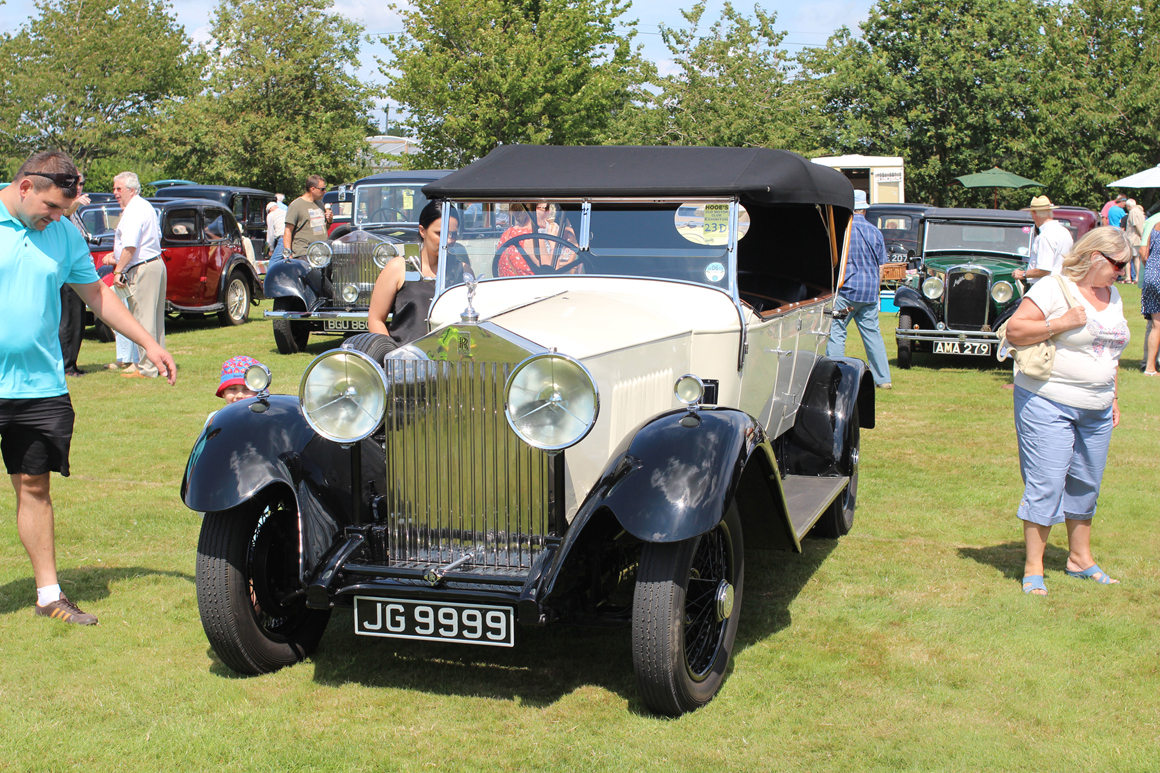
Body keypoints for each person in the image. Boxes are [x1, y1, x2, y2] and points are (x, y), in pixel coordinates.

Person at [0, 150, 176, 625]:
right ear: (25, 187)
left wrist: (148, 343)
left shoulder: (62, 233)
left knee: (35, 485)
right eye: (51, 208)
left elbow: (98, 295)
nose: (57, 218)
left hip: (38, 385)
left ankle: (48, 595)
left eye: (64, 210)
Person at [1004, 227, 1130, 595]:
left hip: (1097, 408)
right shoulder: (1053, 287)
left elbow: (1110, 353)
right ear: (1095, 257)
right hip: (1047, 401)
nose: (1123, 272)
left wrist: (1113, 397)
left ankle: (1079, 559)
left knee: (1086, 484)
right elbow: (1015, 331)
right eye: (1118, 264)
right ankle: (1033, 568)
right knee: (1046, 483)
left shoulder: (1114, 294)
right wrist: (1062, 322)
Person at [367, 201, 459, 345]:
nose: (448, 240)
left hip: (449, 355)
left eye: (453, 234)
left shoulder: (462, 271)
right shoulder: (398, 268)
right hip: (406, 355)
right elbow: (375, 319)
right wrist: (392, 353)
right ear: (422, 231)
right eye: (440, 233)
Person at [827, 190, 892, 389]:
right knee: (873, 336)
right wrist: (875, 290)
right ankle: (883, 379)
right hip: (869, 293)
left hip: (846, 292)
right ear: (864, 209)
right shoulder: (875, 232)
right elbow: (881, 267)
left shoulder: (843, 230)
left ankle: (836, 375)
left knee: (836, 331)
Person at [111, 171, 167, 379]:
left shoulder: (134, 210)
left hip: (143, 267)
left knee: (143, 320)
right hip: (154, 264)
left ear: (132, 190)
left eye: (119, 188)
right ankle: (158, 364)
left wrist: (119, 270)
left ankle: (147, 368)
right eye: (114, 189)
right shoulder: (146, 206)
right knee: (154, 320)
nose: (115, 193)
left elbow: (130, 246)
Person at [59, 176, 91, 377]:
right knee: (68, 319)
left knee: (78, 319)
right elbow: (65, 212)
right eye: (75, 183)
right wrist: (76, 202)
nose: (79, 188)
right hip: (68, 272)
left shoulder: (75, 209)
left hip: (78, 271)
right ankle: (65, 365)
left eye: (81, 184)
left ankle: (72, 363)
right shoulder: (65, 205)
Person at [497, 203, 580, 276]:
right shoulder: (533, 239)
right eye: (545, 208)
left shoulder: (507, 234)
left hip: (507, 287)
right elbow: (553, 274)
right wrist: (553, 243)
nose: (549, 212)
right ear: (531, 211)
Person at [1013, 196, 1073, 285]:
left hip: (1046, 287)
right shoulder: (1065, 231)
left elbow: (1044, 270)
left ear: (1034, 214)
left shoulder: (1046, 235)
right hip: (1062, 284)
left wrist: (1023, 274)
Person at [284, 175, 331, 259]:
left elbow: (323, 229)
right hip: (304, 253)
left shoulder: (320, 204)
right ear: (313, 189)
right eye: (322, 189)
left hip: (321, 252)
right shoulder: (296, 206)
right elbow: (288, 231)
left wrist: (329, 220)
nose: (325, 191)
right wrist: (288, 256)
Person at [1140, 221, 1160, 376]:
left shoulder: (1156, 225)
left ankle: (1150, 367)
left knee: (1156, 326)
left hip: (1151, 275)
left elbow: (1144, 253)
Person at [1123, 199, 1145, 284]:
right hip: (1137, 239)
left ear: (1128, 206)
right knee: (1137, 258)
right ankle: (1137, 278)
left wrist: (1141, 235)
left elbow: (1136, 225)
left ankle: (1128, 277)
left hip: (1132, 238)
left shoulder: (1132, 212)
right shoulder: (1140, 212)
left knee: (1128, 258)